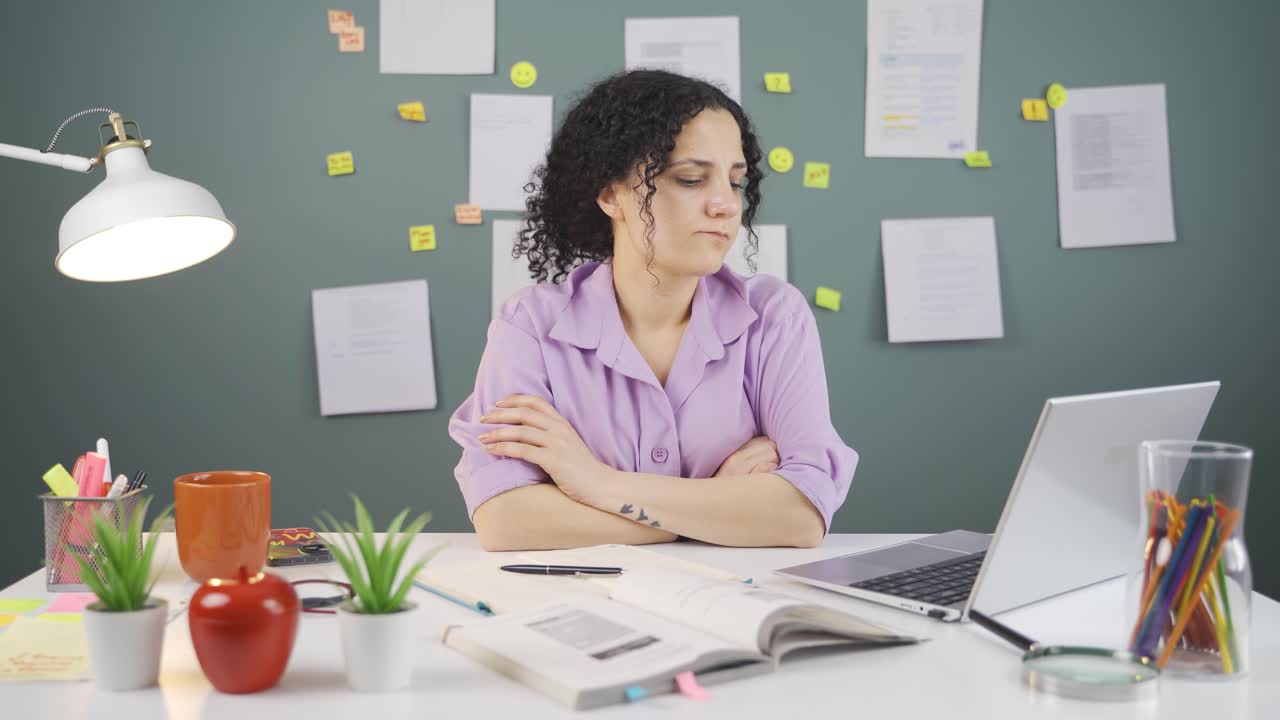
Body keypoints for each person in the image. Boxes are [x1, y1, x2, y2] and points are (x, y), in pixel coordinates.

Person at [448, 69, 856, 551]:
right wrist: (715, 507)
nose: (726, 204)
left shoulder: (775, 316)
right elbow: (507, 520)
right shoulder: (529, 327)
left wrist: (594, 482)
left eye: (735, 181)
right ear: (610, 194)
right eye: (690, 178)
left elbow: (801, 517)